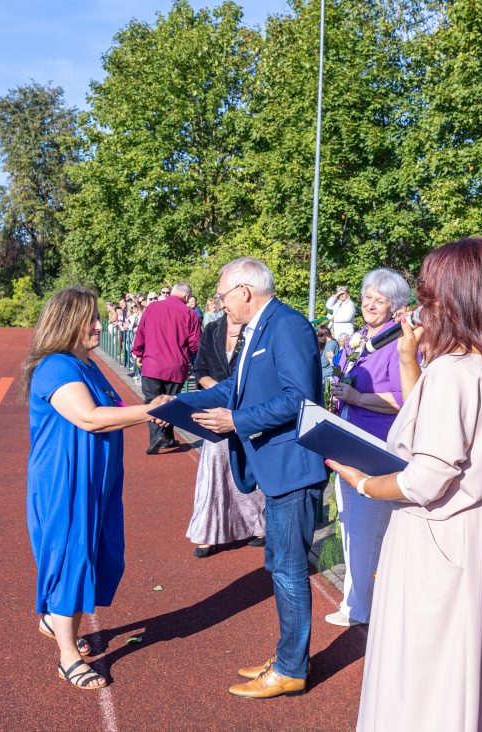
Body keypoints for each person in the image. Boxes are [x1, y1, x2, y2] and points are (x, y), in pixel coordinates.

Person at [326, 238, 482, 731]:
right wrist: (410, 360)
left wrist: (365, 483)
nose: (421, 309)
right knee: (467, 661)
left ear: (452, 300)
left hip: (441, 533)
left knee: (423, 670)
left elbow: (424, 477)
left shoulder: (455, 373)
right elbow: (431, 423)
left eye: (430, 297)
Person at [177, 257, 328, 699]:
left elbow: (299, 398)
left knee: (289, 571)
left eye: (224, 298)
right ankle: (287, 657)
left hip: (293, 470)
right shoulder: (257, 328)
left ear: (244, 291)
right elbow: (234, 388)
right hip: (275, 470)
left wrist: (237, 421)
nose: (223, 307)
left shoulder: (287, 325)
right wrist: (182, 404)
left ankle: (290, 668)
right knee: (279, 567)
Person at [22, 288, 170, 690]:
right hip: (65, 481)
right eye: (91, 320)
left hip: (97, 479)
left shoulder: (86, 364)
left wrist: (153, 412)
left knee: (100, 552)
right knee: (71, 556)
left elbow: (114, 409)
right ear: (68, 322)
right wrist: (149, 410)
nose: (99, 327)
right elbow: (88, 417)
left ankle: (55, 618)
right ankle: (67, 655)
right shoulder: (55, 367)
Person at [326, 268, 415, 628]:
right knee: (350, 526)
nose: (370, 305)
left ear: (396, 306)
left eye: (379, 300)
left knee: (363, 529)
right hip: (348, 440)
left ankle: (359, 607)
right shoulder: (359, 339)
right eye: (366, 298)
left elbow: (407, 397)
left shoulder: (400, 344)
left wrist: (359, 397)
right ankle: (360, 600)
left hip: (375, 446)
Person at [186, 312, 266, 557]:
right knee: (214, 469)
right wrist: (218, 388)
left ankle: (258, 527)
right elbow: (200, 369)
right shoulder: (212, 329)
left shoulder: (256, 330)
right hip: (216, 407)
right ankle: (207, 533)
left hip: (248, 410)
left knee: (250, 467)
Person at [131, 282, 201, 454]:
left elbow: (141, 332)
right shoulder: (189, 314)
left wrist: (138, 352)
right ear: (186, 296)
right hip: (176, 365)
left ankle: (158, 437)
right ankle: (167, 437)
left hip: (153, 363)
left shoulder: (152, 308)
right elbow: (195, 344)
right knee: (170, 401)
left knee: (152, 401)